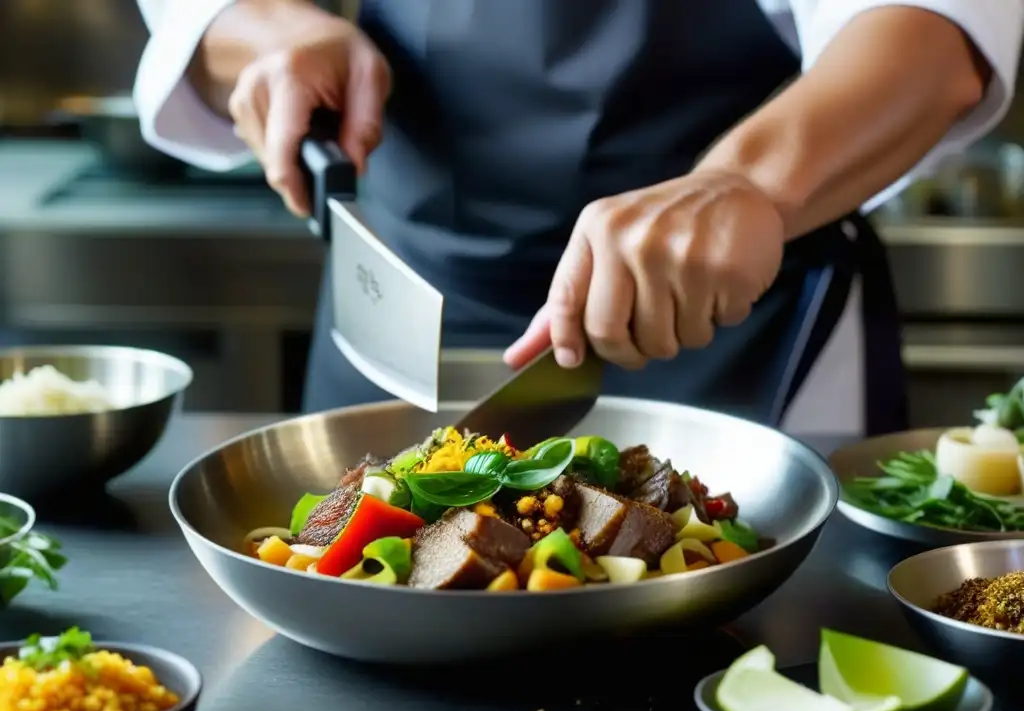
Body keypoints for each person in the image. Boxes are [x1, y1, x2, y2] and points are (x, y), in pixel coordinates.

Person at [133, 0, 1022, 431]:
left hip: (737, 328)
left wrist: (745, 186)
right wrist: (265, 33)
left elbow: (934, 38)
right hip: (402, 308)